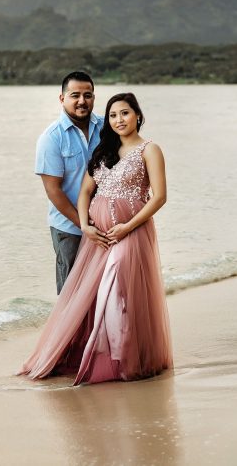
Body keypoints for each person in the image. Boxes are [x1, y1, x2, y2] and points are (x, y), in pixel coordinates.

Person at [20, 92, 173, 384]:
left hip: (132, 232)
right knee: (95, 295)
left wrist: (128, 227)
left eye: (125, 113)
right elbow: (84, 193)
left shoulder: (150, 150)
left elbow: (160, 197)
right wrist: (86, 226)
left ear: (137, 115)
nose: (119, 120)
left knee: (115, 292)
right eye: (113, 115)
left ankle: (123, 360)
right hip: (98, 237)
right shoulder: (104, 151)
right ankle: (102, 355)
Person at [35, 71, 104, 293]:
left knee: (105, 289)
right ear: (62, 98)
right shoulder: (51, 138)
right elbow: (53, 191)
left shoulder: (107, 128)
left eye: (88, 95)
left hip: (106, 225)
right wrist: (84, 225)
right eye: (75, 95)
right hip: (68, 228)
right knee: (71, 292)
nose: (82, 101)